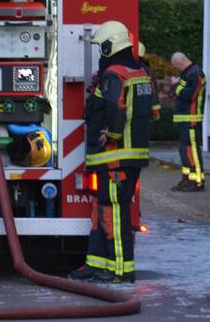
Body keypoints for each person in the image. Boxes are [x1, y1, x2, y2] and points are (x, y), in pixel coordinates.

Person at [69, 21, 153, 284]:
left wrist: (111, 135)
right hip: (129, 155)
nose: (101, 54)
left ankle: (120, 270)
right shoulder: (139, 70)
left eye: (102, 48)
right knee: (102, 209)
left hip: (115, 157)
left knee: (114, 213)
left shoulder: (114, 74)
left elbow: (116, 107)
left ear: (110, 45)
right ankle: (97, 264)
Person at [170, 52, 206, 192]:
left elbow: (190, 95)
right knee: (184, 151)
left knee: (193, 152)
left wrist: (175, 86)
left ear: (179, 63)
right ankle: (187, 180)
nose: (176, 69)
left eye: (175, 66)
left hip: (191, 121)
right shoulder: (188, 73)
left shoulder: (195, 73)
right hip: (185, 120)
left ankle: (197, 182)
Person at [137, 42, 162, 122]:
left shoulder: (124, 69)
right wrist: (156, 110)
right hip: (145, 112)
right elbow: (153, 91)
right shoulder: (148, 71)